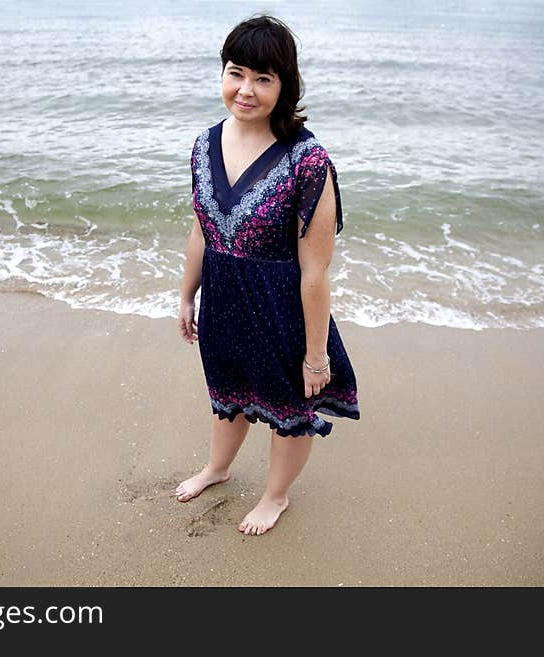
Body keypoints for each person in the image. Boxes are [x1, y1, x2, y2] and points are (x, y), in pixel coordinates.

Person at [175, 15, 360, 536]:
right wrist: (187, 296)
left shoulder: (308, 160)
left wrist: (317, 353)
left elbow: (317, 268)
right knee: (227, 393)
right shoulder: (204, 144)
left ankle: (275, 497)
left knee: (291, 409)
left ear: (286, 85)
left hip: (283, 308)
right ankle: (217, 468)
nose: (246, 90)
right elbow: (200, 229)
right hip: (224, 297)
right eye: (237, 73)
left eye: (263, 78)